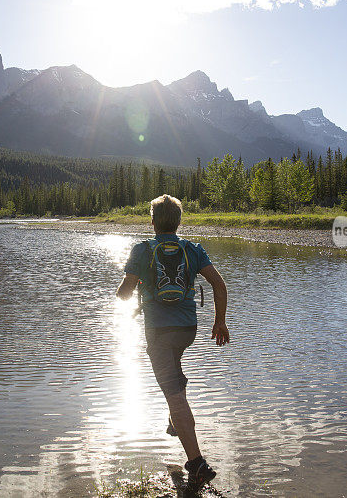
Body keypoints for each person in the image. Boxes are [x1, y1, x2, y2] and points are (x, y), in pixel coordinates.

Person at [116, 194, 229, 491]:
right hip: (187, 329)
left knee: (174, 393)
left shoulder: (142, 250)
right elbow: (219, 284)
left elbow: (124, 294)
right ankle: (174, 420)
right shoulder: (193, 249)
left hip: (159, 332)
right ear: (179, 222)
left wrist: (133, 284)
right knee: (175, 379)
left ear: (152, 222)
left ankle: (197, 464)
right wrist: (219, 322)